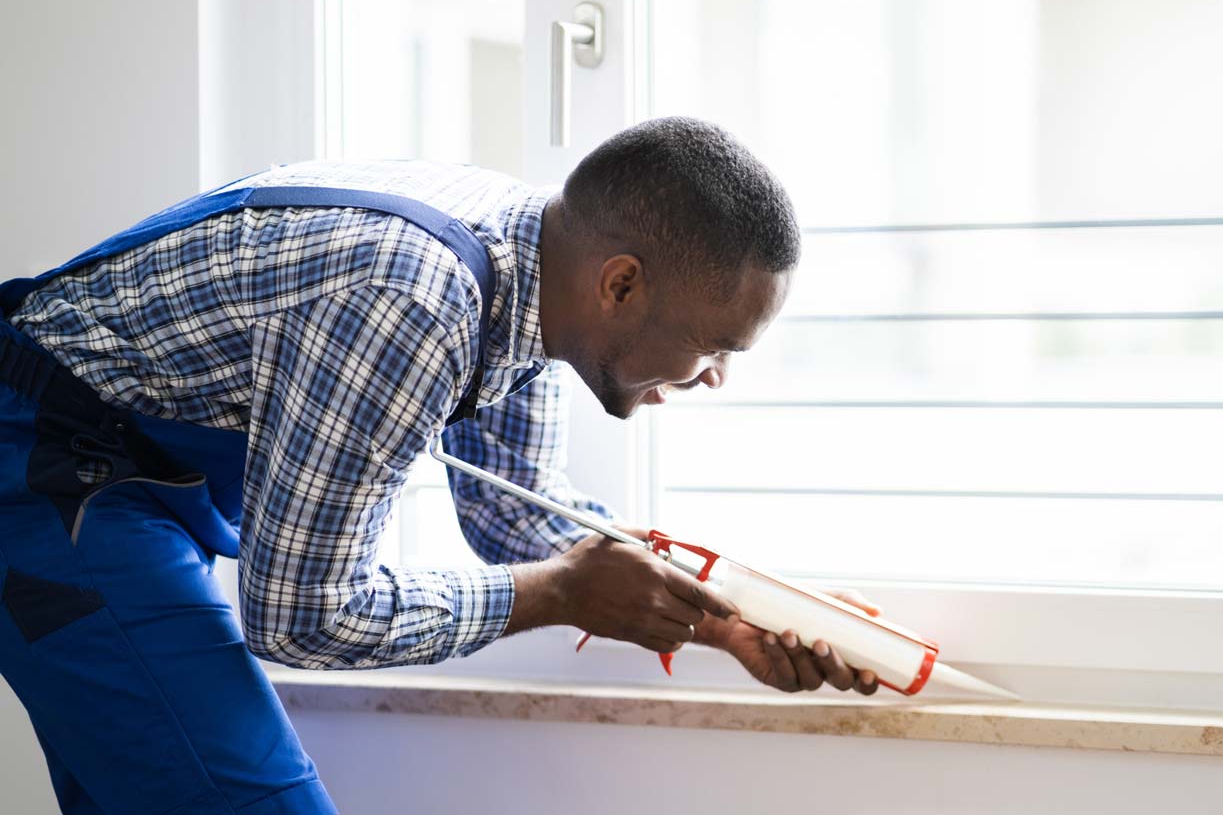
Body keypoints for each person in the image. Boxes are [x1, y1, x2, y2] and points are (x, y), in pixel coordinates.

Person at [0, 116, 880, 815]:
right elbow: (303, 616)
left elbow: (522, 519)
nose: (714, 377)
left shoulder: (541, 263)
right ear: (622, 285)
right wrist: (561, 595)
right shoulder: (414, 302)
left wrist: (731, 617)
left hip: (131, 470)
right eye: (712, 346)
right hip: (43, 474)